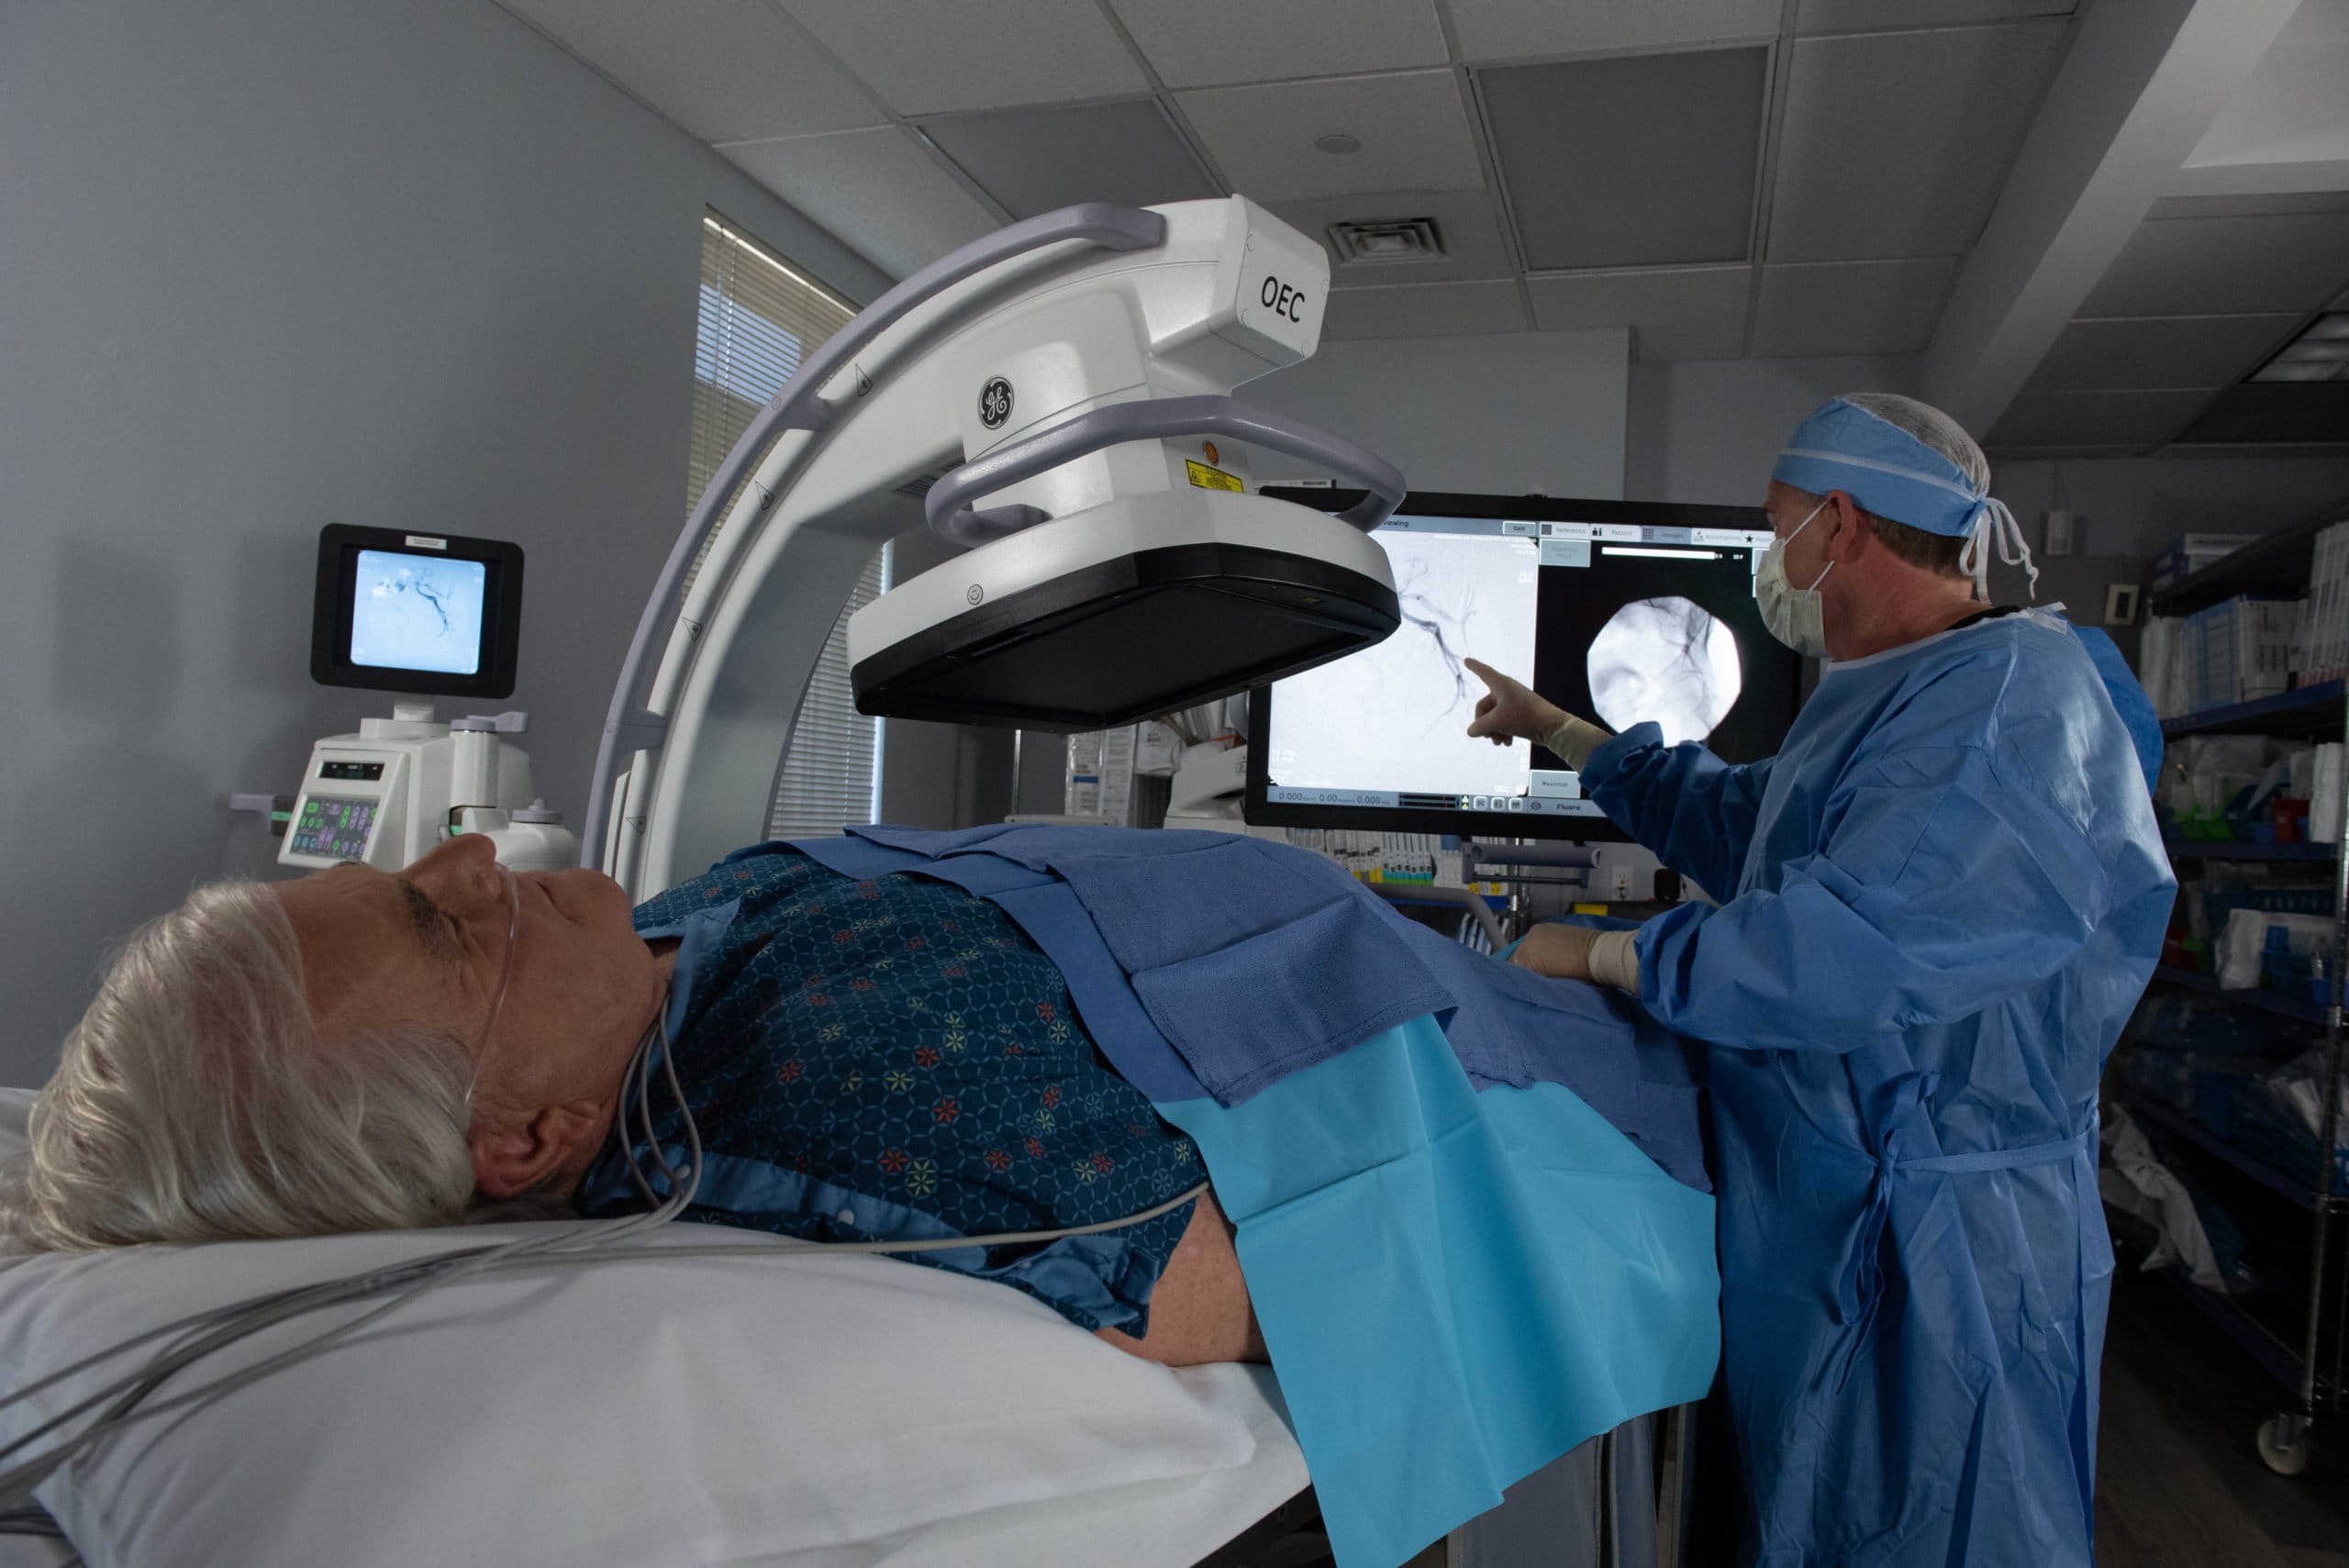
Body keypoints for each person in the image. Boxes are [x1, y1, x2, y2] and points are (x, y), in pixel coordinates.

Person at [1465, 393, 2174, 1568]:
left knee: (1929, 1529)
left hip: (1938, 1248)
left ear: (1837, 524)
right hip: (1847, 1209)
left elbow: (1849, 944)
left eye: (1773, 526)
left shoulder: (2008, 708)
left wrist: (1607, 954)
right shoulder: (1907, 693)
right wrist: (1565, 732)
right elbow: (1751, 824)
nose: (1769, 563)